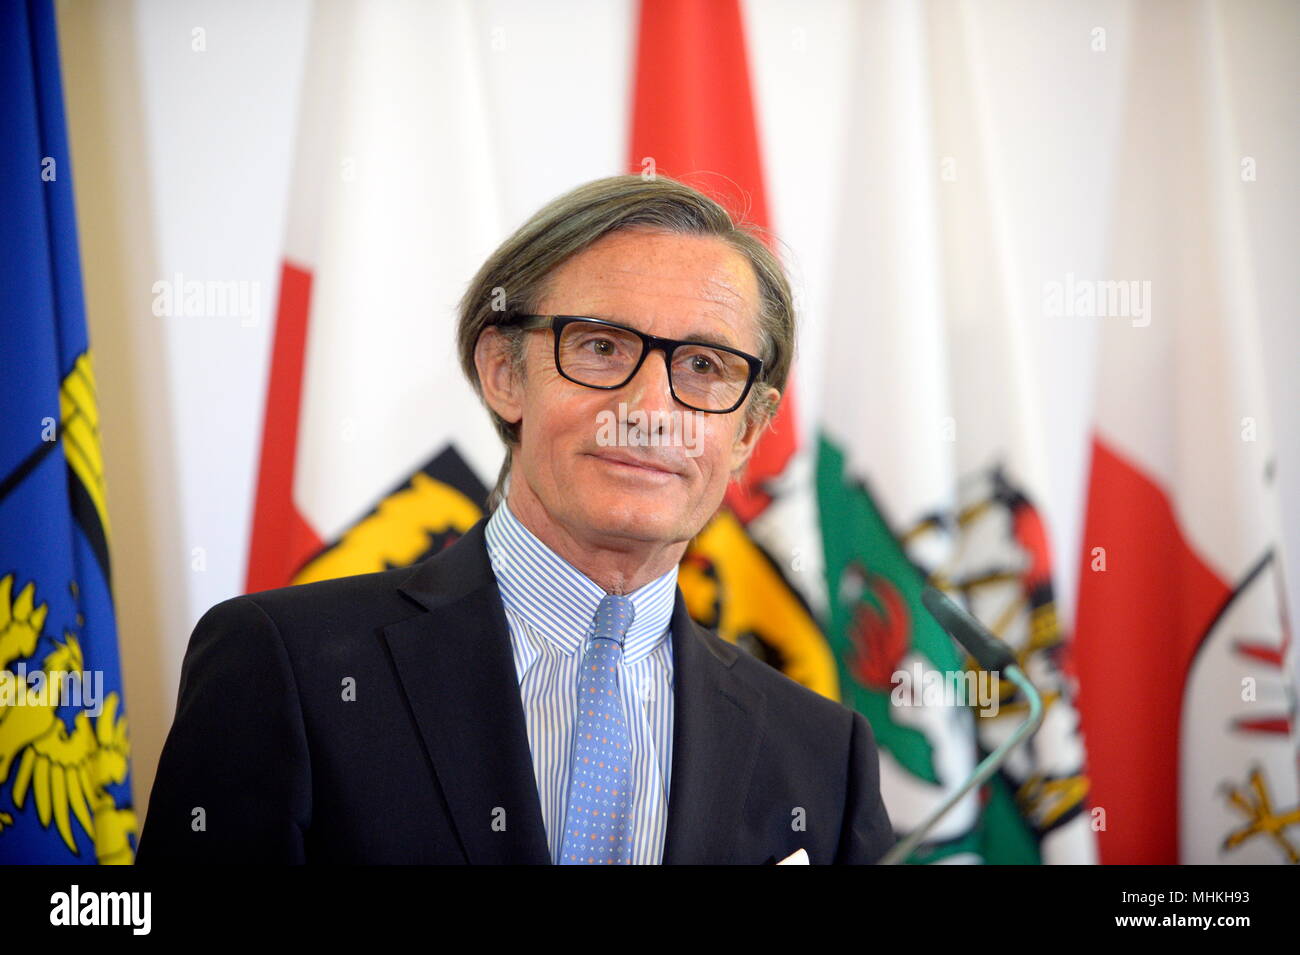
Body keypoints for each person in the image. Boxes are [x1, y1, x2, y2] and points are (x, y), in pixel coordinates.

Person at [136, 174, 894, 864]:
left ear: (750, 433)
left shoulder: (823, 756)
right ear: (504, 374)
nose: (652, 411)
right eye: (601, 347)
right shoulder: (287, 666)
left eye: (704, 367)